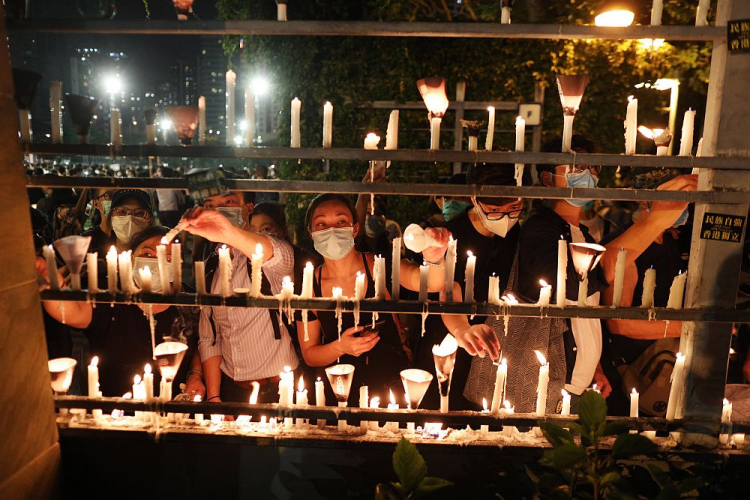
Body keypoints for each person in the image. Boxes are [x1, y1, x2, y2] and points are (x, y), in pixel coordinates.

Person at [518, 135, 696, 411]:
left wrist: (595, 368)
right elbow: (574, 285)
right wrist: (655, 220)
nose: (589, 176)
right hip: (552, 384)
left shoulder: (583, 233)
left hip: (582, 382)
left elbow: (586, 311)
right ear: (547, 178)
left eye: (594, 168)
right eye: (577, 169)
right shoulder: (540, 230)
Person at [295, 193, 450, 403]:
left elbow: (430, 282)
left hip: (390, 388)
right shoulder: (308, 286)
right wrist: (341, 346)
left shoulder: (380, 265)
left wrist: (435, 258)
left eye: (341, 221)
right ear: (311, 233)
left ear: (355, 228)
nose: (331, 230)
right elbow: (310, 354)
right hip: (340, 393)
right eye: (321, 224)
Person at [37, 226, 202, 398]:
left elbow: (200, 344)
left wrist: (196, 373)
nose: (156, 260)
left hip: (176, 410)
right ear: (131, 259)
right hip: (114, 411)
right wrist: (53, 286)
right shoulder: (111, 297)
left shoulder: (190, 300)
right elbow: (71, 311)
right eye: (147, 254)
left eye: (167, 257)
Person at [180, 202, 297, 405]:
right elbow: (210, 338)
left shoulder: (267, 257)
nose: (219, 210)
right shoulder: (211, 267)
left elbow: (281, 254)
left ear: (247, 209)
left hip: (279, 389)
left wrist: (228, 233)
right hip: (231, 390)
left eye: (229, 202)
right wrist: (215, 396)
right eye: (212, 205)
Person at [600, 172, 696, 416]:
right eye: (675, 199)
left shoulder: (676, 239)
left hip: (672, 363)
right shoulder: (625, 248)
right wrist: (690, 327)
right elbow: (619, 324)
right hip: (637, 371)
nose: (682, 206)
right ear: (645, 201)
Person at [83, 189, 154, 258]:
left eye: (139, 213)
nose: (129, 218)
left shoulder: (154, 245)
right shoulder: (88, 244)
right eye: (122, 212)